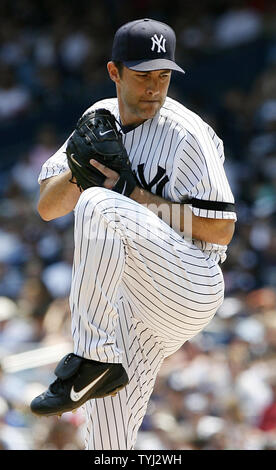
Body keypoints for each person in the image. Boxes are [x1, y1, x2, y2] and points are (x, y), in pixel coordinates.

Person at [31, 18, 236, 450]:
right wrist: (77, 168)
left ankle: (93, 358)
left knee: (99, 203)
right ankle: (101, 365)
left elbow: (222, 229)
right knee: (107, 440)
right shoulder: (97, 119)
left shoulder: (187, 133)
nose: (154, 88)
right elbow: (48, 208)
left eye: (163, 76)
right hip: (133, 307)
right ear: (114, 72)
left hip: (190, 279)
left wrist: (138, 198)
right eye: (143, 75)